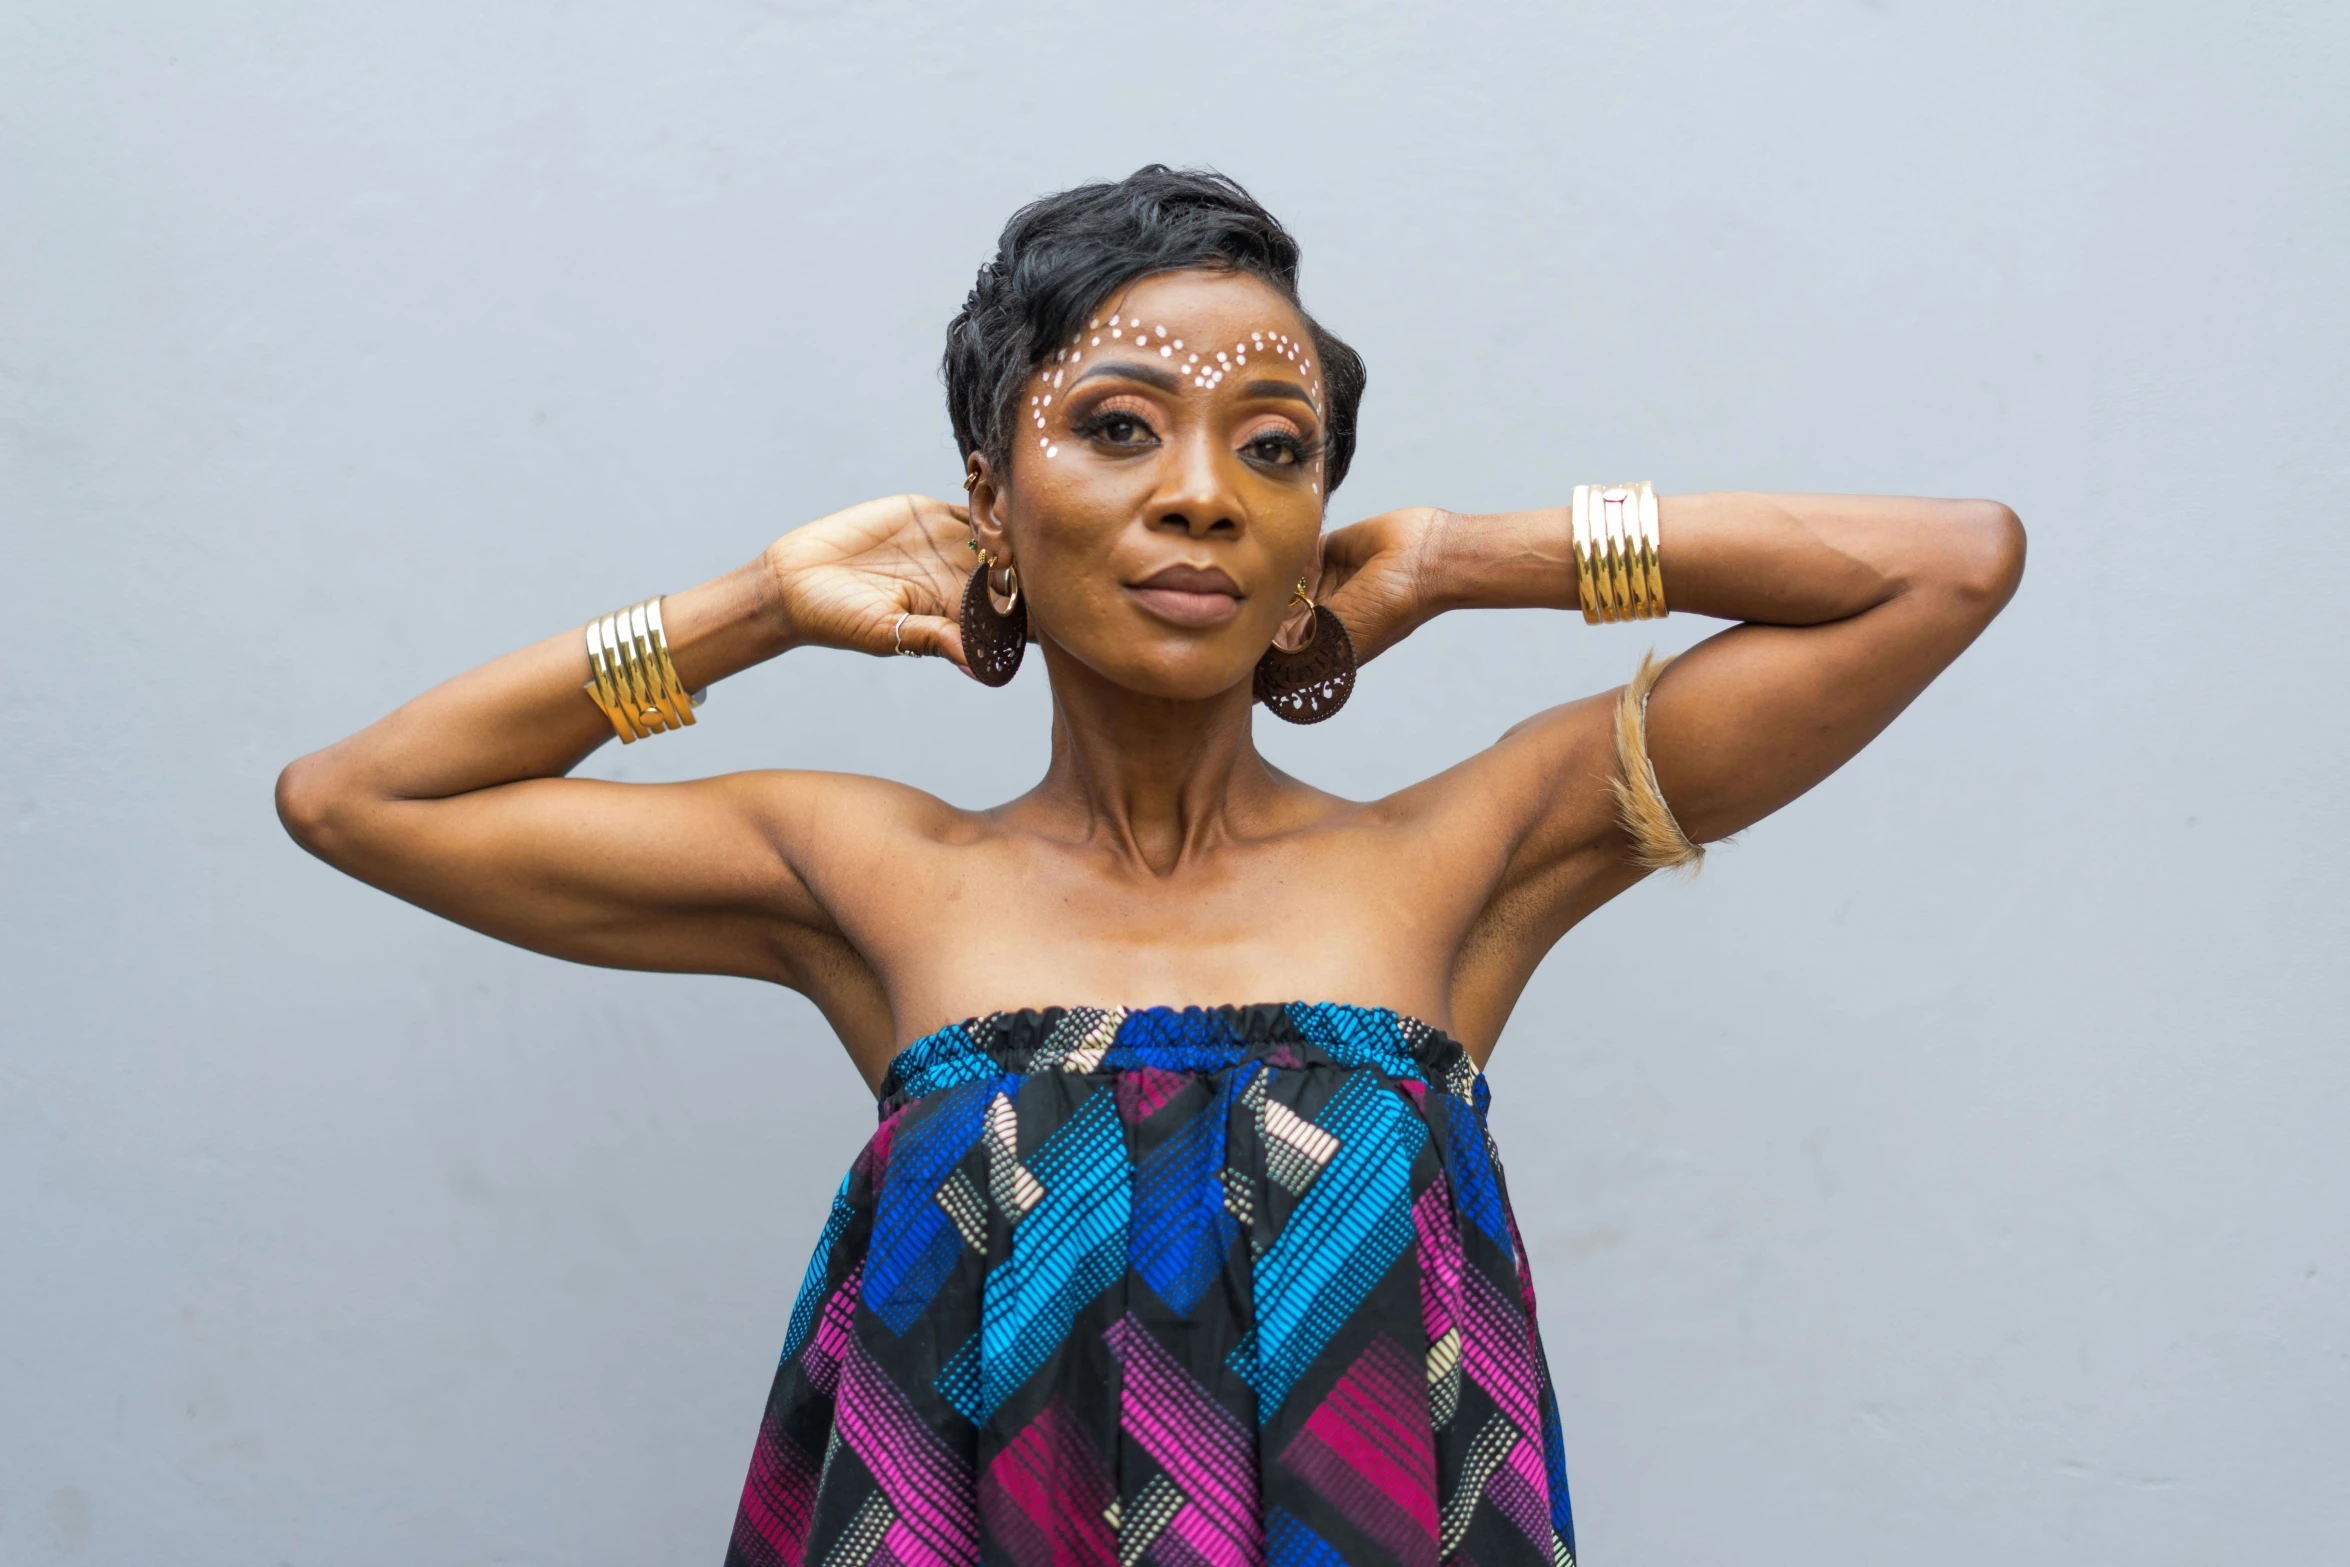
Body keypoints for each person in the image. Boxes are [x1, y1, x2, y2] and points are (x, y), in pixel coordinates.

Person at [276, 165, 2023, 1567]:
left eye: (1274, 449)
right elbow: (361, 798)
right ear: (991, 504)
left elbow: (1944, 568)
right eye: (1117, 426)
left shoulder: (1461, 854)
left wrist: (1471, 558)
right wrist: (753, 606)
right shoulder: (864, 871)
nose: (1204, 493)